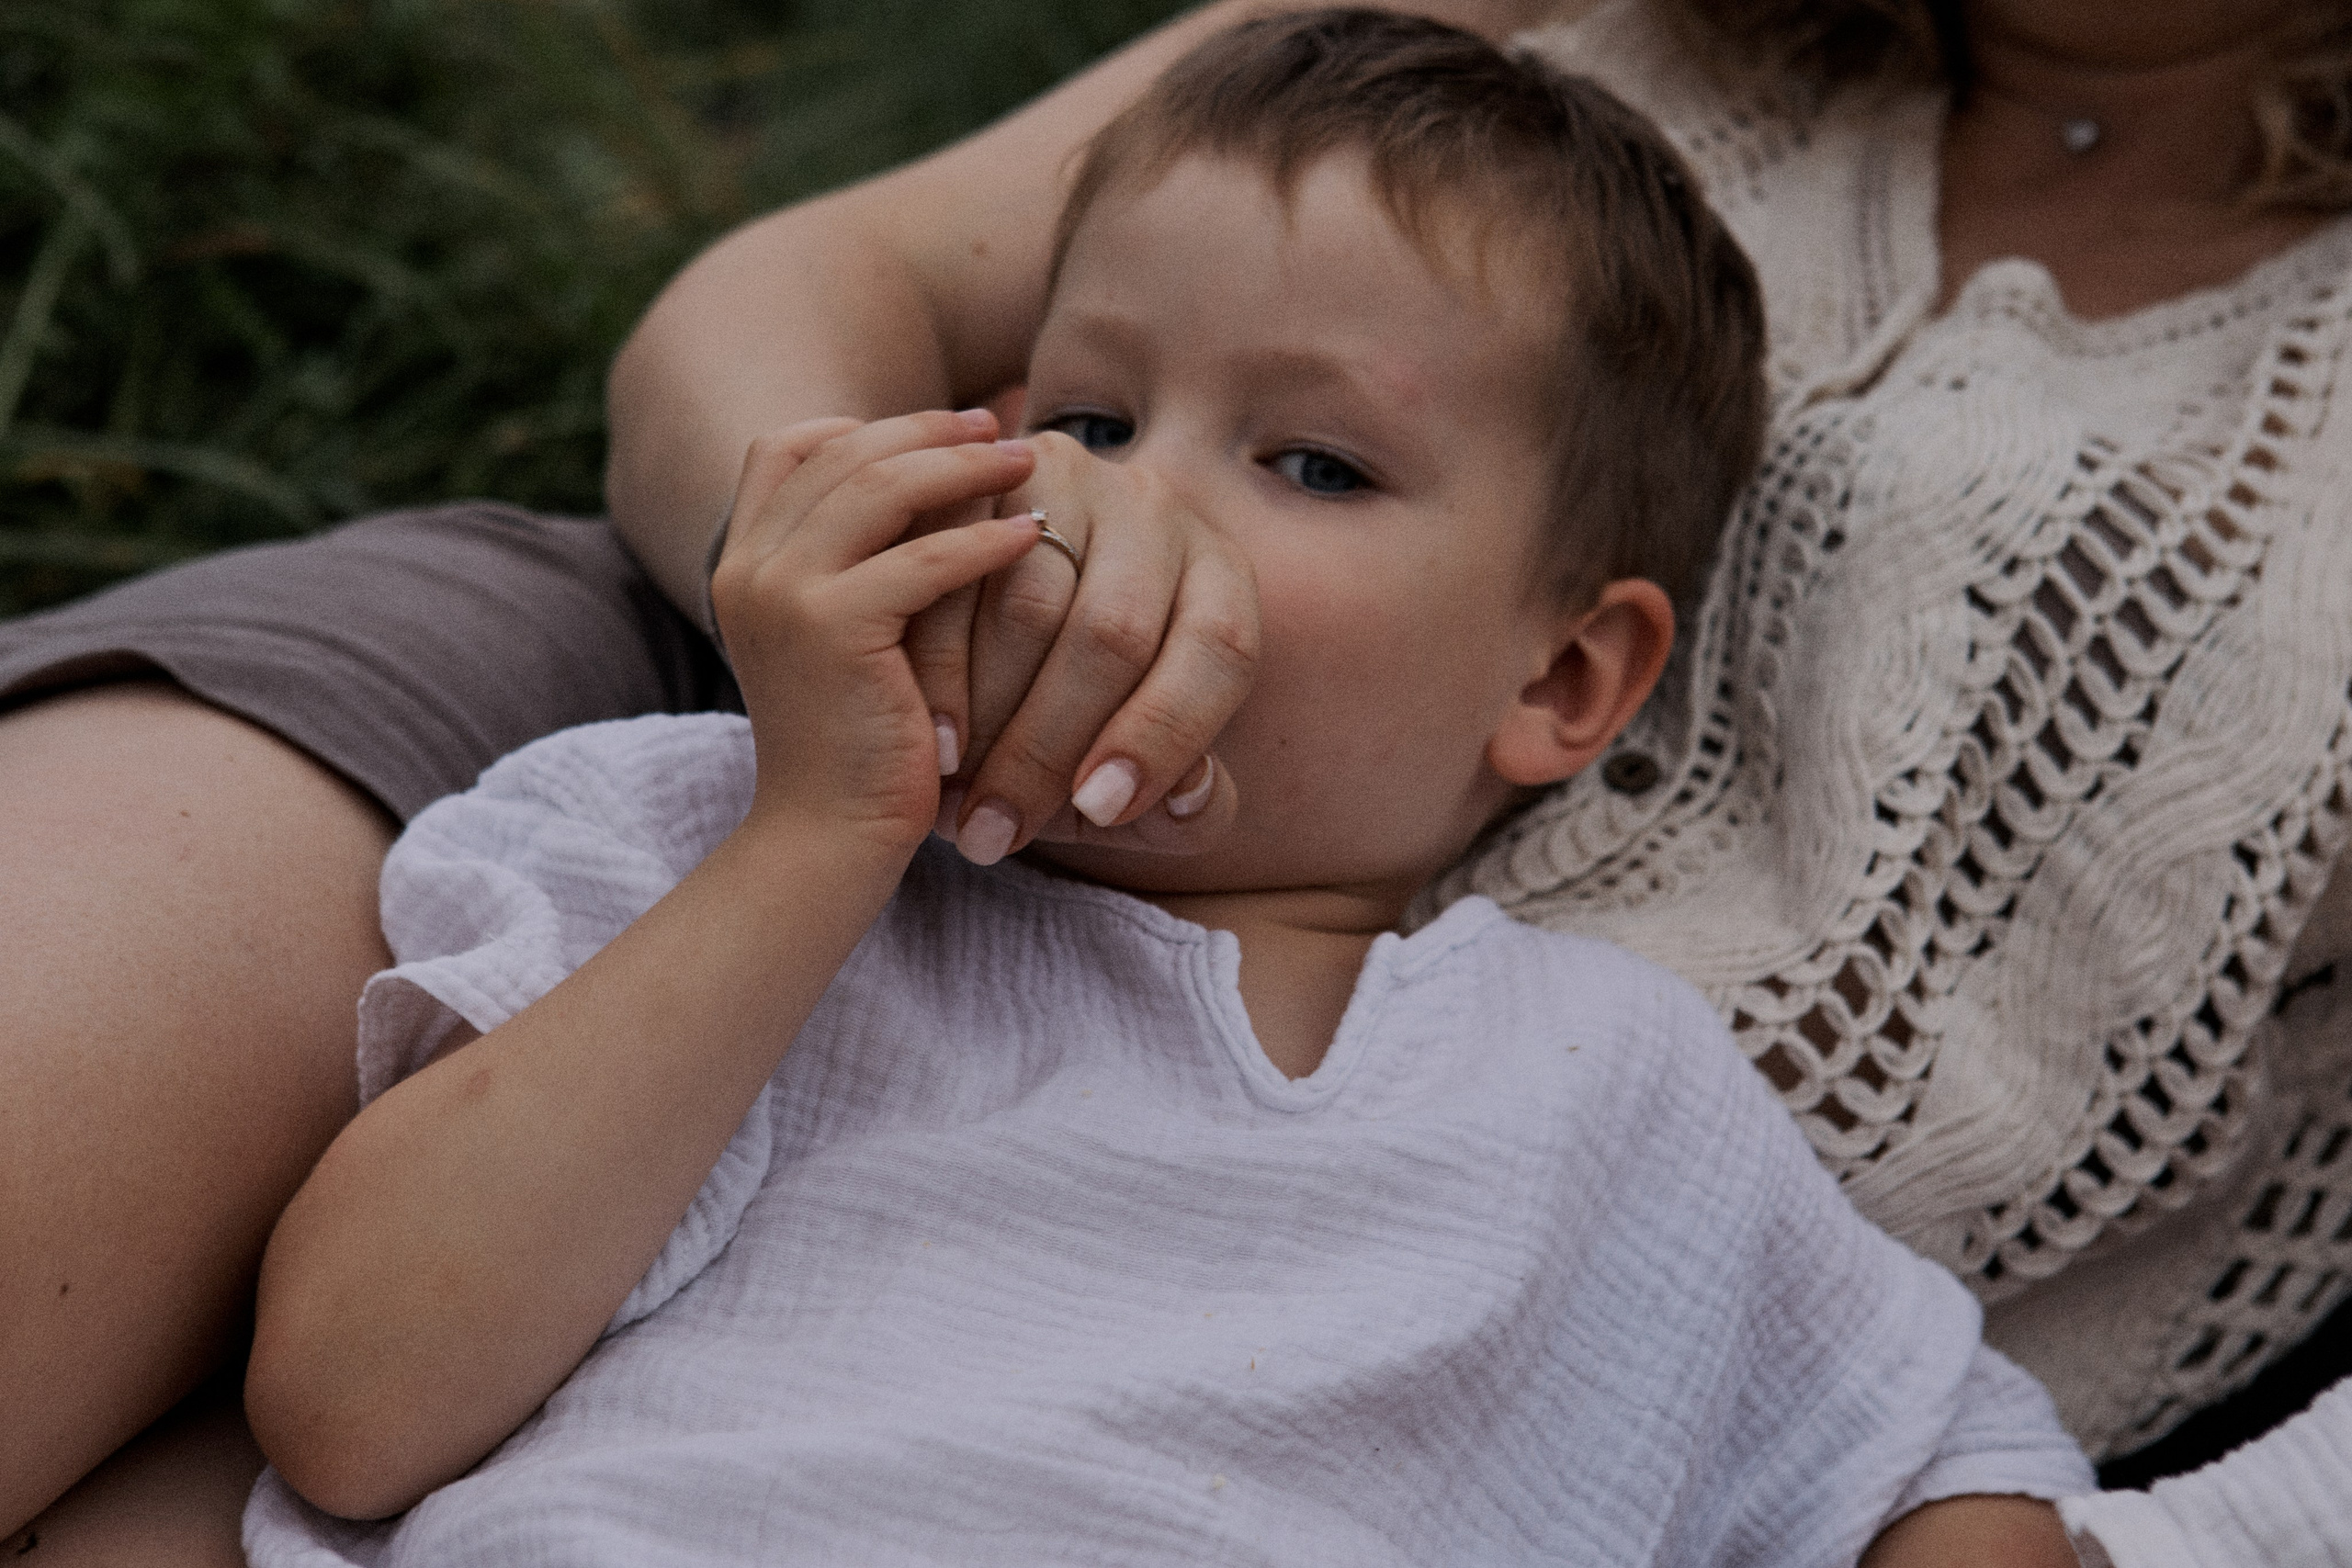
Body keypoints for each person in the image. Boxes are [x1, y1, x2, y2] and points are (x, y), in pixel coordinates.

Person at [1, 0, 2346, 1562]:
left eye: (1306, 459)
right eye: (1088, 416)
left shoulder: (1610, 1110)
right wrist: (827, 798)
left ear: (1562, 679)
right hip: (659, 658)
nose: (1132, 511)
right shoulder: (711, 851)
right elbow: (358, 1398)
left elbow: (1938, 1458)